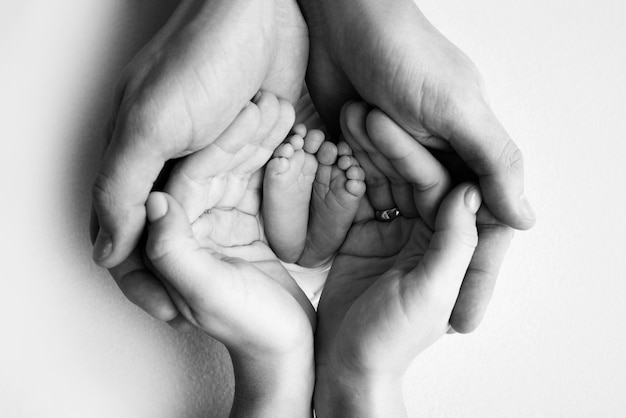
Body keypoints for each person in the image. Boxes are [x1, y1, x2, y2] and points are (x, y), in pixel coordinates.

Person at [92, 0, 532, 334]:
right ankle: (307, 239)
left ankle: (304, 236)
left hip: (236, 175)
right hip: (368, 190)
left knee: (264, 185)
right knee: (301, 198)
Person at [142, 89, 485, 416]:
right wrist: (359, 378)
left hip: (268, 242)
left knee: (281, 141)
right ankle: (310, 252)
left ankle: (306, 250)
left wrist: (278, 371)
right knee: (323, 147)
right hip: (341, 249)